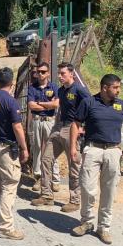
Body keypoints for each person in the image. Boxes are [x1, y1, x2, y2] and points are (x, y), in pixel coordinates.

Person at [70, 74, 123, 244]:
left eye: (118, 87)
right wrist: (72, 148)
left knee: (109, 191)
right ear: (105, 87)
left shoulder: (121, 105)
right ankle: (86, 222)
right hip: (92, 149)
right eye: (115, 87)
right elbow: (75, 124)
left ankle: (104, 227)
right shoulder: (89, 102)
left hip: (113, 151)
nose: (118, 90)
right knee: (86, 188)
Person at [31, 63, 91, 211]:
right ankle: (46, 195)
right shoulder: (61, 90)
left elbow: (91, 107)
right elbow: (60, 109)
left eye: (63, 73)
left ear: (72, 74)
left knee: (74, 165)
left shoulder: (80, 90)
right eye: (59, 73)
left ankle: (75, 201)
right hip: (59, 127)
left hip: (73, 128)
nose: (60, 76)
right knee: (46, 159)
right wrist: (56, 125)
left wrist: (84, 127)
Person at [0, 67, 29, 240]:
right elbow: (17, 127)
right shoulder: (11, 102)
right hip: (6, 149)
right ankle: (6, 228)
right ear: (12, 83)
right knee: (9, 187)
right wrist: (24, 148)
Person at [27, 62, 60, 191]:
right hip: (36, 121)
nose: (40, 74)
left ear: (48, 73)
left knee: (52, 149)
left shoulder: (54, 87)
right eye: (38, 72)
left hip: (50, 121)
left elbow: (56, 104)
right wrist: (47, 104)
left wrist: (39, 103)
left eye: (43, 72)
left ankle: (54, 179)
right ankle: (39, 177)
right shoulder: (32, 87)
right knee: (37, 149)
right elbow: (31, 105)